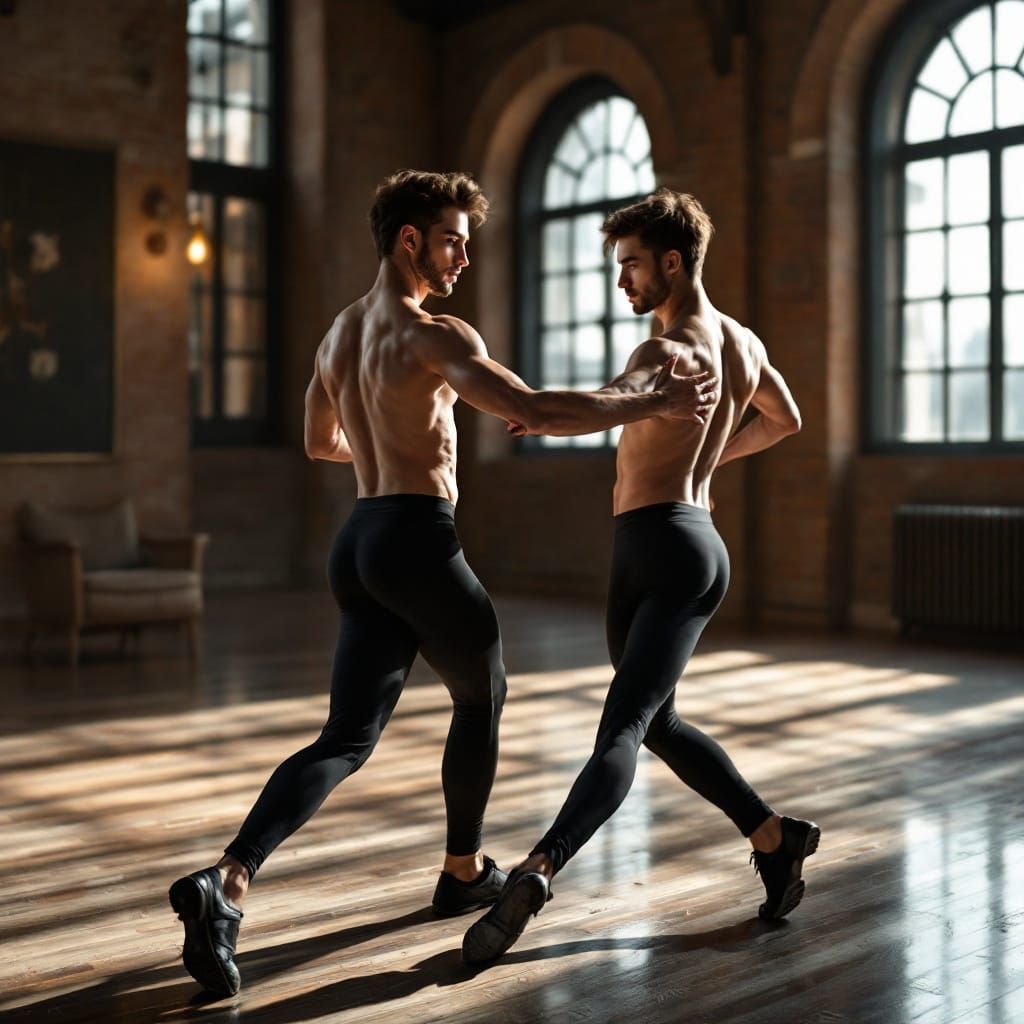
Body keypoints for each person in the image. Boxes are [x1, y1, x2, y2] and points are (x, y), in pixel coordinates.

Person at [168, 171, 718, 996]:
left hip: (358, 540)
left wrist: (386, 442)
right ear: (410, 240)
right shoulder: (434, 333)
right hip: (417, 538)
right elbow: (533, 407)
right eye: (455, 239)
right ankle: (463, 870)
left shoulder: (338, 335)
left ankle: (228, 881)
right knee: (483, 695)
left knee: (345, 737)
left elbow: (321, 441)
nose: (464, 255)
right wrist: (652, 405)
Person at [462, 188, 819, 965]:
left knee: (621, 726)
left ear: (671, 260)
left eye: (630, 264)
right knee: (654, 720)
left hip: (660, 547)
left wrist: (537, 410)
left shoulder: (664, 351)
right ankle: (774, 836)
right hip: (685, 539)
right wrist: (706, 456)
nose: (622, 280)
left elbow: (602, 404)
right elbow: (785, 417)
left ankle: (538, 867)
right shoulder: (742, 343)